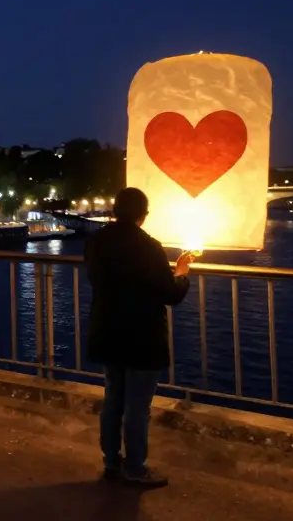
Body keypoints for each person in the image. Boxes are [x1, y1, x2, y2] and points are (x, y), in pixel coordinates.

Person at [87, 187, 193, 489]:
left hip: (107, 331)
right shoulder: (149, 247)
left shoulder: (96, 242)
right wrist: (181, 272)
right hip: (141, 336)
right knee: (137, 406)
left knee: (113, 400)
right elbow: (168, 294)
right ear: (143, 215)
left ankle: (111, 462)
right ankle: (135, 468)